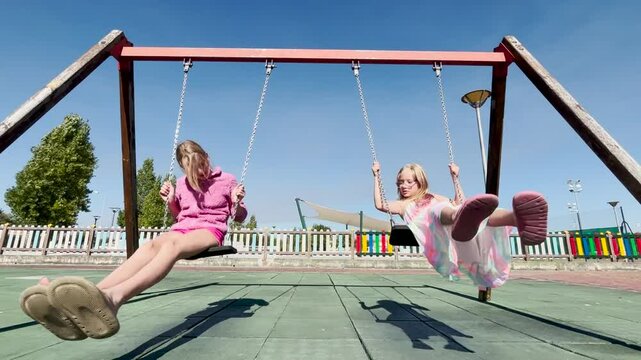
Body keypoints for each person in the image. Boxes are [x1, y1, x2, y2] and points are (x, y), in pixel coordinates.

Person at [19, 140, 247, 340]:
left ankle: (114, 298)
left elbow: (240, 217)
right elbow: (179, 215)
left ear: (206, 158)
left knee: (171, 245)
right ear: (182, 167)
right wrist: (170, 201)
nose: (199, 173)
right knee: (152, 245)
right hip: (182, 227)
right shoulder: (181, 183)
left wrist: (236, 201)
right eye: (191, 170)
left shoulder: (227, 180)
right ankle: (89, 298)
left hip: (209, 230)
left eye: (201, 166)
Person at [372, 161, 547, 289]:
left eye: (410, 181)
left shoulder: (433, 197)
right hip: (436, 235)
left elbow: (460, 201)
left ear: (420, 181)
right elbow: (380, 205)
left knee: (478, 215)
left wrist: (456, 178)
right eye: (401, 182)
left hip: (454, 227)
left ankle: (516, 218)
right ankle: (460, 218)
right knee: (439, 210)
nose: (404, 186)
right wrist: (376, 176)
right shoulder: (403, 205)